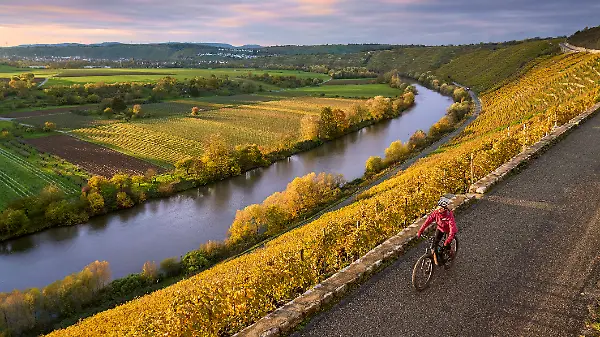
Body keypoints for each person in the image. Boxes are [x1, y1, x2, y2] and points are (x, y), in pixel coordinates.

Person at [416, 195, 458, 265]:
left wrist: (448, 241)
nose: (438, 209)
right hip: (440, 229)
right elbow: (427, 221)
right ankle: (437, 259)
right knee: (434, 244)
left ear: (445, 209)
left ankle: (450, 253)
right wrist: (420, 231)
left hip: (448, 231)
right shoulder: (436, 213)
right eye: (438, 207)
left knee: (446, 245)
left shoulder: (449, 216)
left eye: (440, 208)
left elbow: (452, 229)